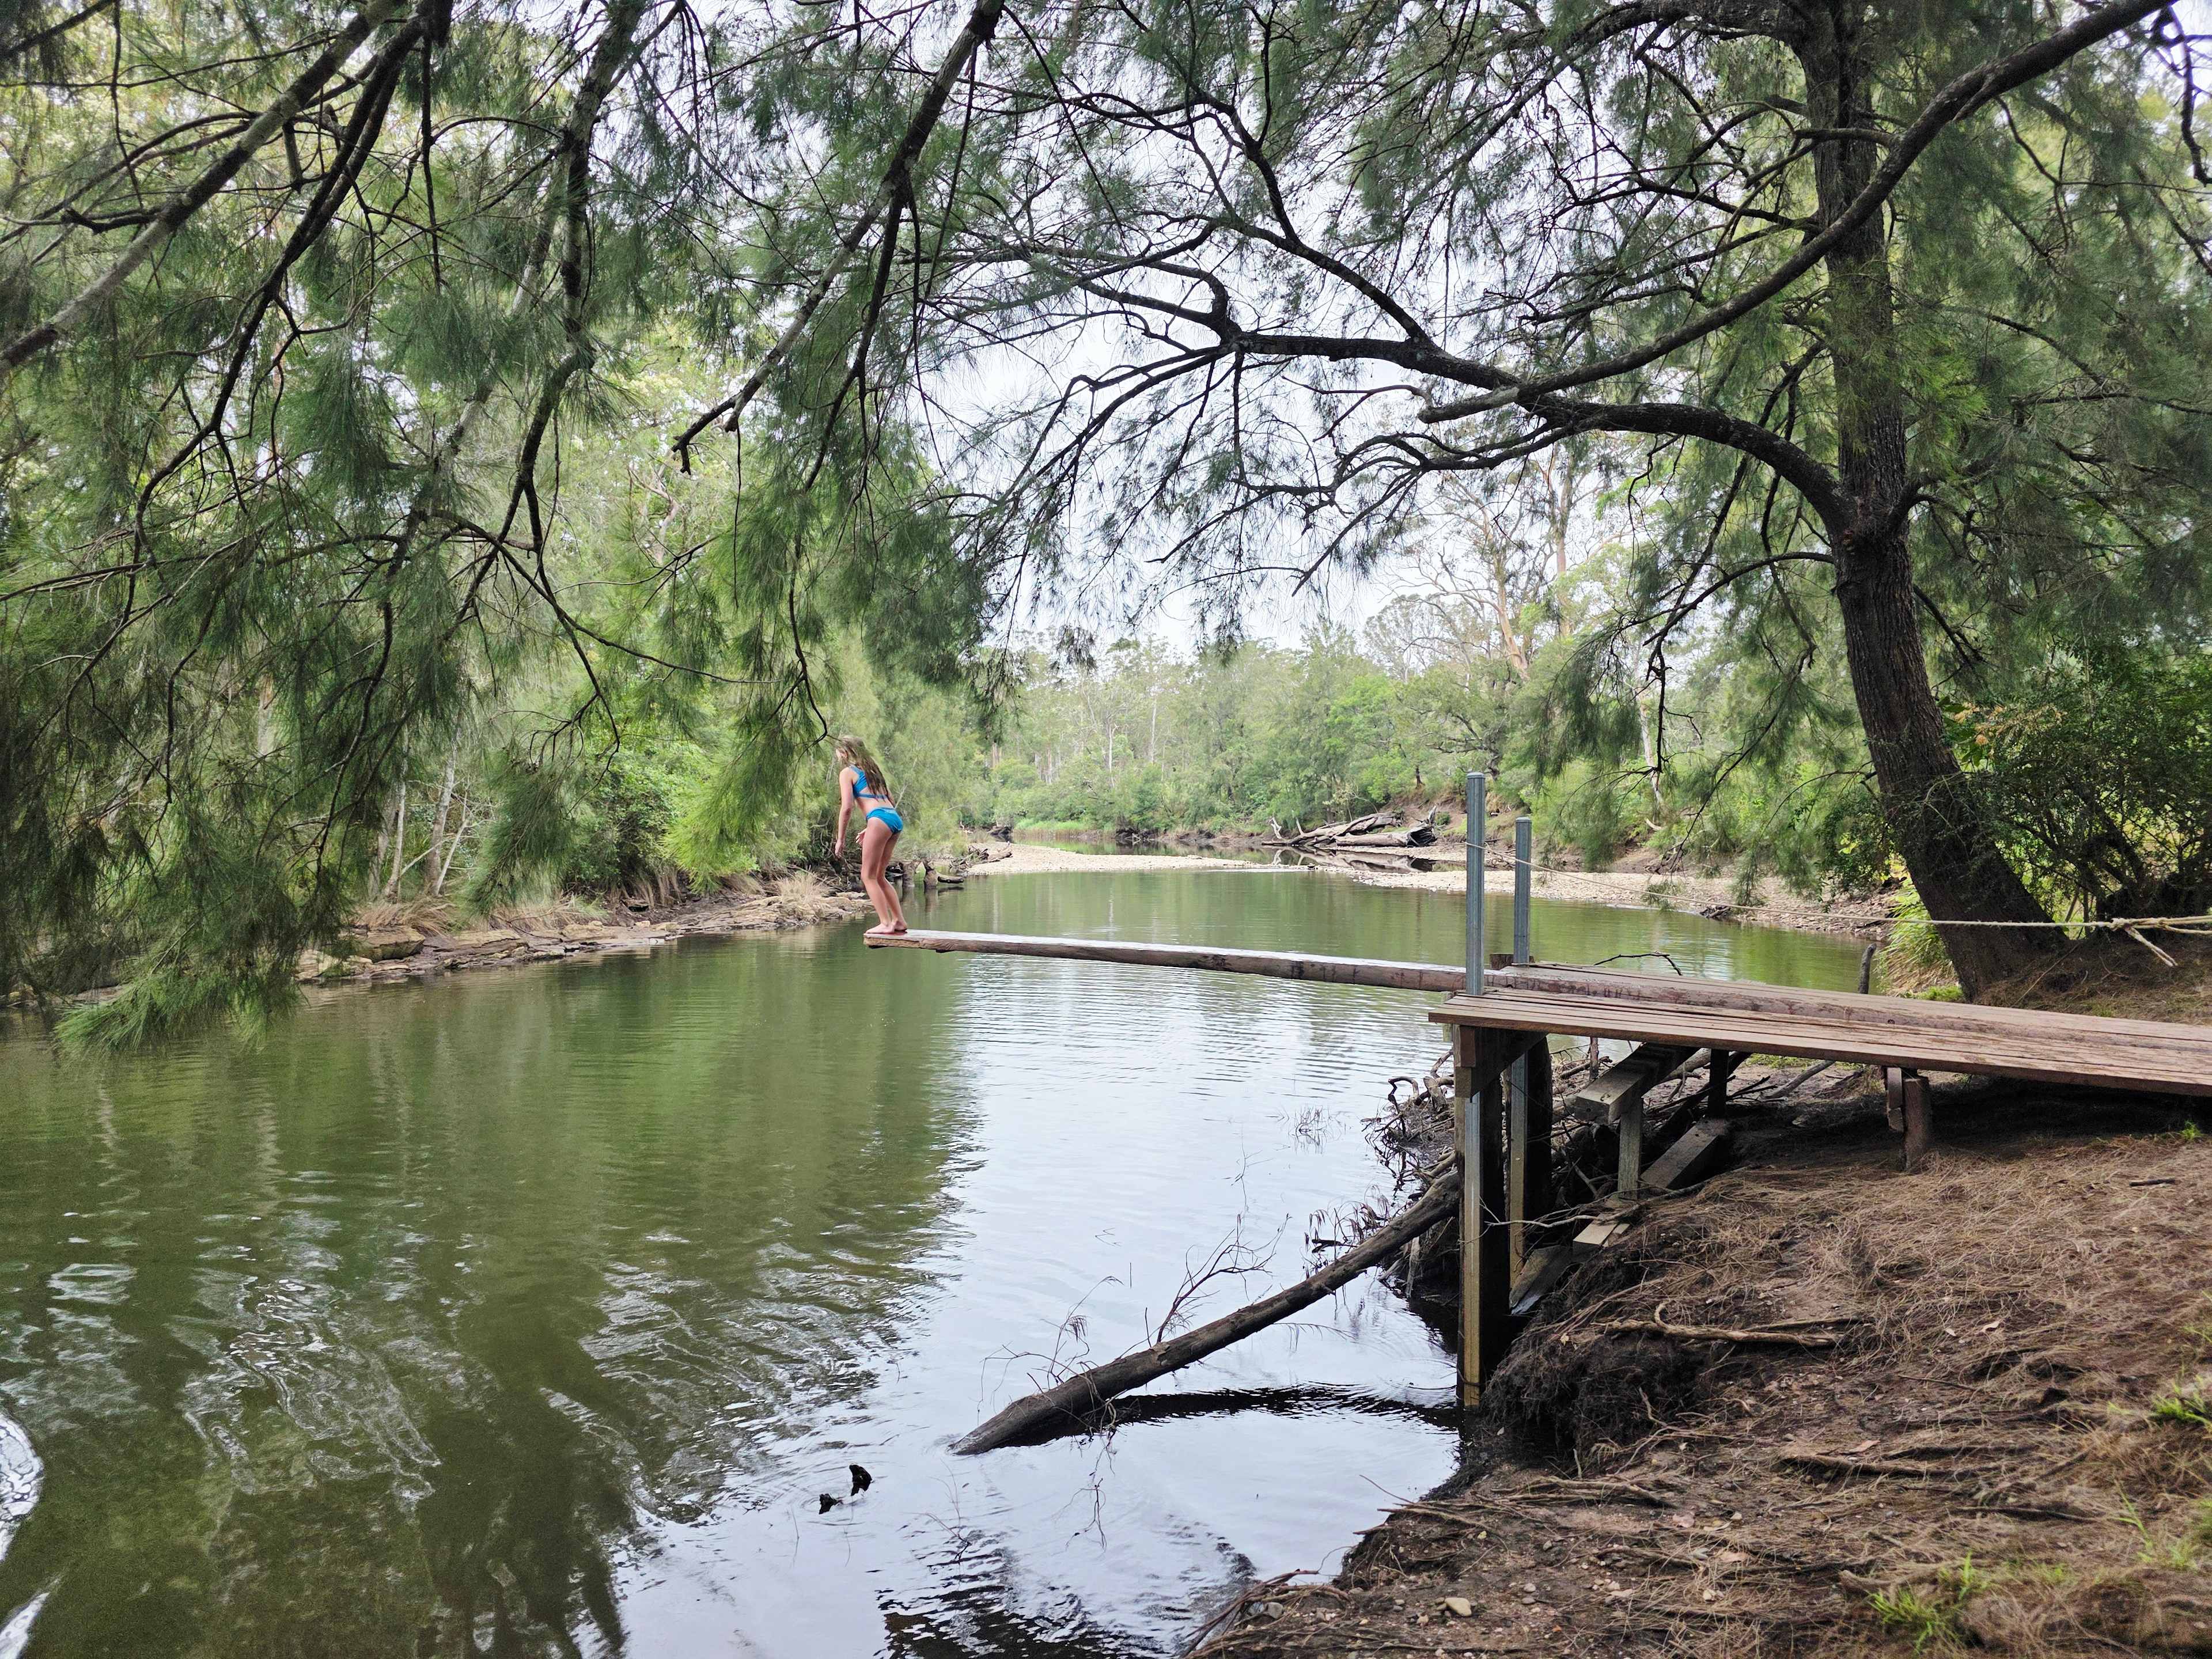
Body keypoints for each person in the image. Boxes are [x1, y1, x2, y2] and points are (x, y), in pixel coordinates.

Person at [832, 735, 907, 936]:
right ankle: (899, 921)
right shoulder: (874, 771)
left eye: (838, 750)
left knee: (868, 876)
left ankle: (885, 923)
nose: (837, 754)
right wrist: (874, 825)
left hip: (879, 819)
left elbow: (847, 808)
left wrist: (840, 839)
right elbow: (888, 800)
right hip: (892, 818)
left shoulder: (848, 773)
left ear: (845, 752)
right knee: (880, 876)